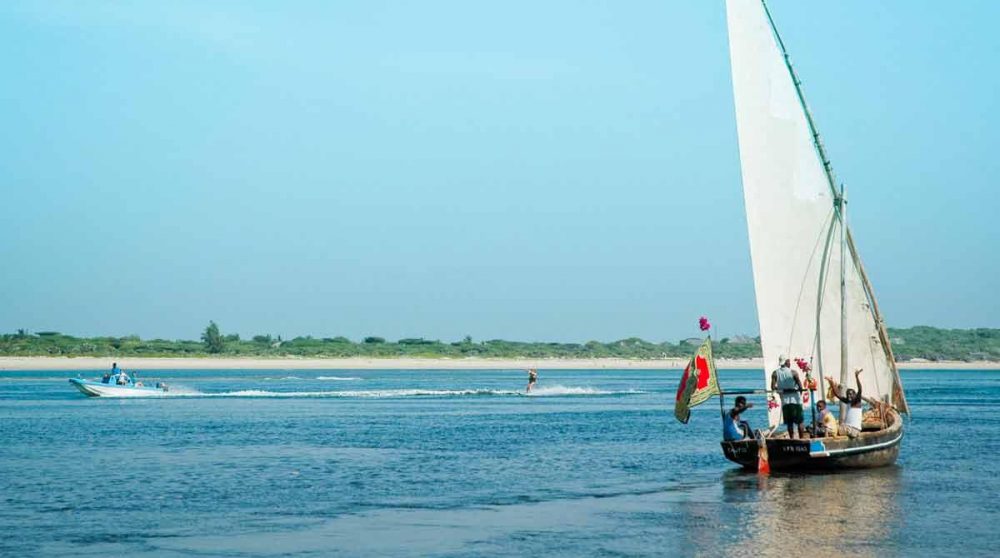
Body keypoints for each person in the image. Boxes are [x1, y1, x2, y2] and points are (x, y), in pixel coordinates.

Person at [771, 354, 805, 439]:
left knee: (789, 423)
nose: (790, 363)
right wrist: (799, 392)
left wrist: (781, 389)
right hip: (796, 401)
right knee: (800, 422)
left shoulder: (775, 373)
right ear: (786, 362)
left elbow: (772, 387)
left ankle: (792, 439)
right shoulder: (793, 372)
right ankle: (801, 439)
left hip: (785, 402)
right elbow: (800, 387)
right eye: (789, 361)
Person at [826, 368, 865, 438]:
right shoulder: (848, 402)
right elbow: (837, 394)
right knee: (831, 428)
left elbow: (860, 389)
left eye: (851, 394)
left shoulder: (857, 402)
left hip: (854, 430)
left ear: (855, 395)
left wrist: (857, 377)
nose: (849, 395)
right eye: (847, 394)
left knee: (832, 430)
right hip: (848, 428)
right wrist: (831, 383)